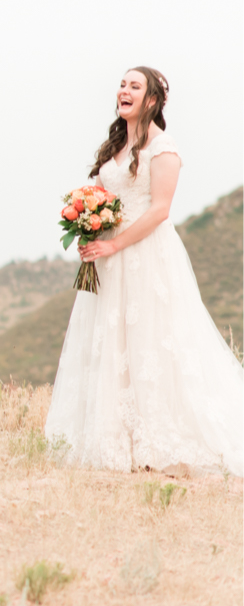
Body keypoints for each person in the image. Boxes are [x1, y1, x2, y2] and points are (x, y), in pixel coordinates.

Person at [45, 67, 242, 475]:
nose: (124, 90)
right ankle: (115, 440)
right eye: (121, 84)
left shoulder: (163, 149)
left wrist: (115, 242)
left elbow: (159, 210)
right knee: (113, 344)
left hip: (145, 255)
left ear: (152, 100)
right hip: (109, 258)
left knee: (151, 343)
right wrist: (89, 228)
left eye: (134, 86)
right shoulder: (115, 147)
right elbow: (105, 198)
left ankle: (158, 440)